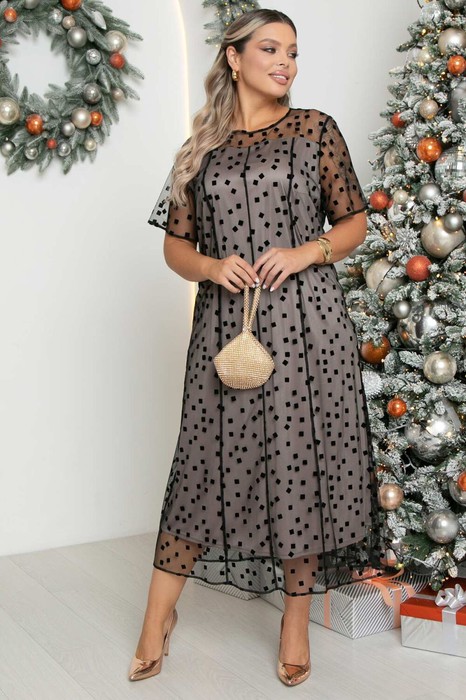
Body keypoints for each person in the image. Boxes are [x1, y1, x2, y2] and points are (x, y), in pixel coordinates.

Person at [130, 8, 382, 688]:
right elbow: (175, 247)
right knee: (201, 465)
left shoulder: (315, 129)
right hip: (225, 330)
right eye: (270, 49)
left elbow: (354, 222)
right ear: (234, 58)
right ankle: (157, 618)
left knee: (297, 466)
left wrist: (304, 252)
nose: (285, 63)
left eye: (293, 52)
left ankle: (295, 622)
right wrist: (213, 267)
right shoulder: (200, 148)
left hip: (309, 327)